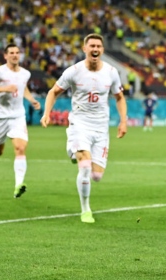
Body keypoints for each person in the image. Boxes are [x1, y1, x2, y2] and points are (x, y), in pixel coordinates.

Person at [40, 33, 128, 223]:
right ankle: (85, 209)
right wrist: (47, 113)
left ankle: (74, 152)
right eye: (92, 46)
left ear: (102, 50)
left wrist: (123, 121)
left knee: (96, 175)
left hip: (101, 128)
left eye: (98, 46)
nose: (95, 49)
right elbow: (53, 92)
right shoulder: (74, 71)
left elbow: (119, 97)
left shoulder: (111, 72)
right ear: (85, 48)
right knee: (85, 166)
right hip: (80, 123)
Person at [0, 43, 40, 198]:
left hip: (18, 116)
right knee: (0, 151)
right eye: (11, 53)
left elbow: (22, 87)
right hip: (0, 117)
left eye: (17, 52)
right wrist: (4, 89)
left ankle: (18, 184)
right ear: (5, 56)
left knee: (20, 148)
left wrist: (31, 99)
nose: (14, 55)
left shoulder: (25, 73)